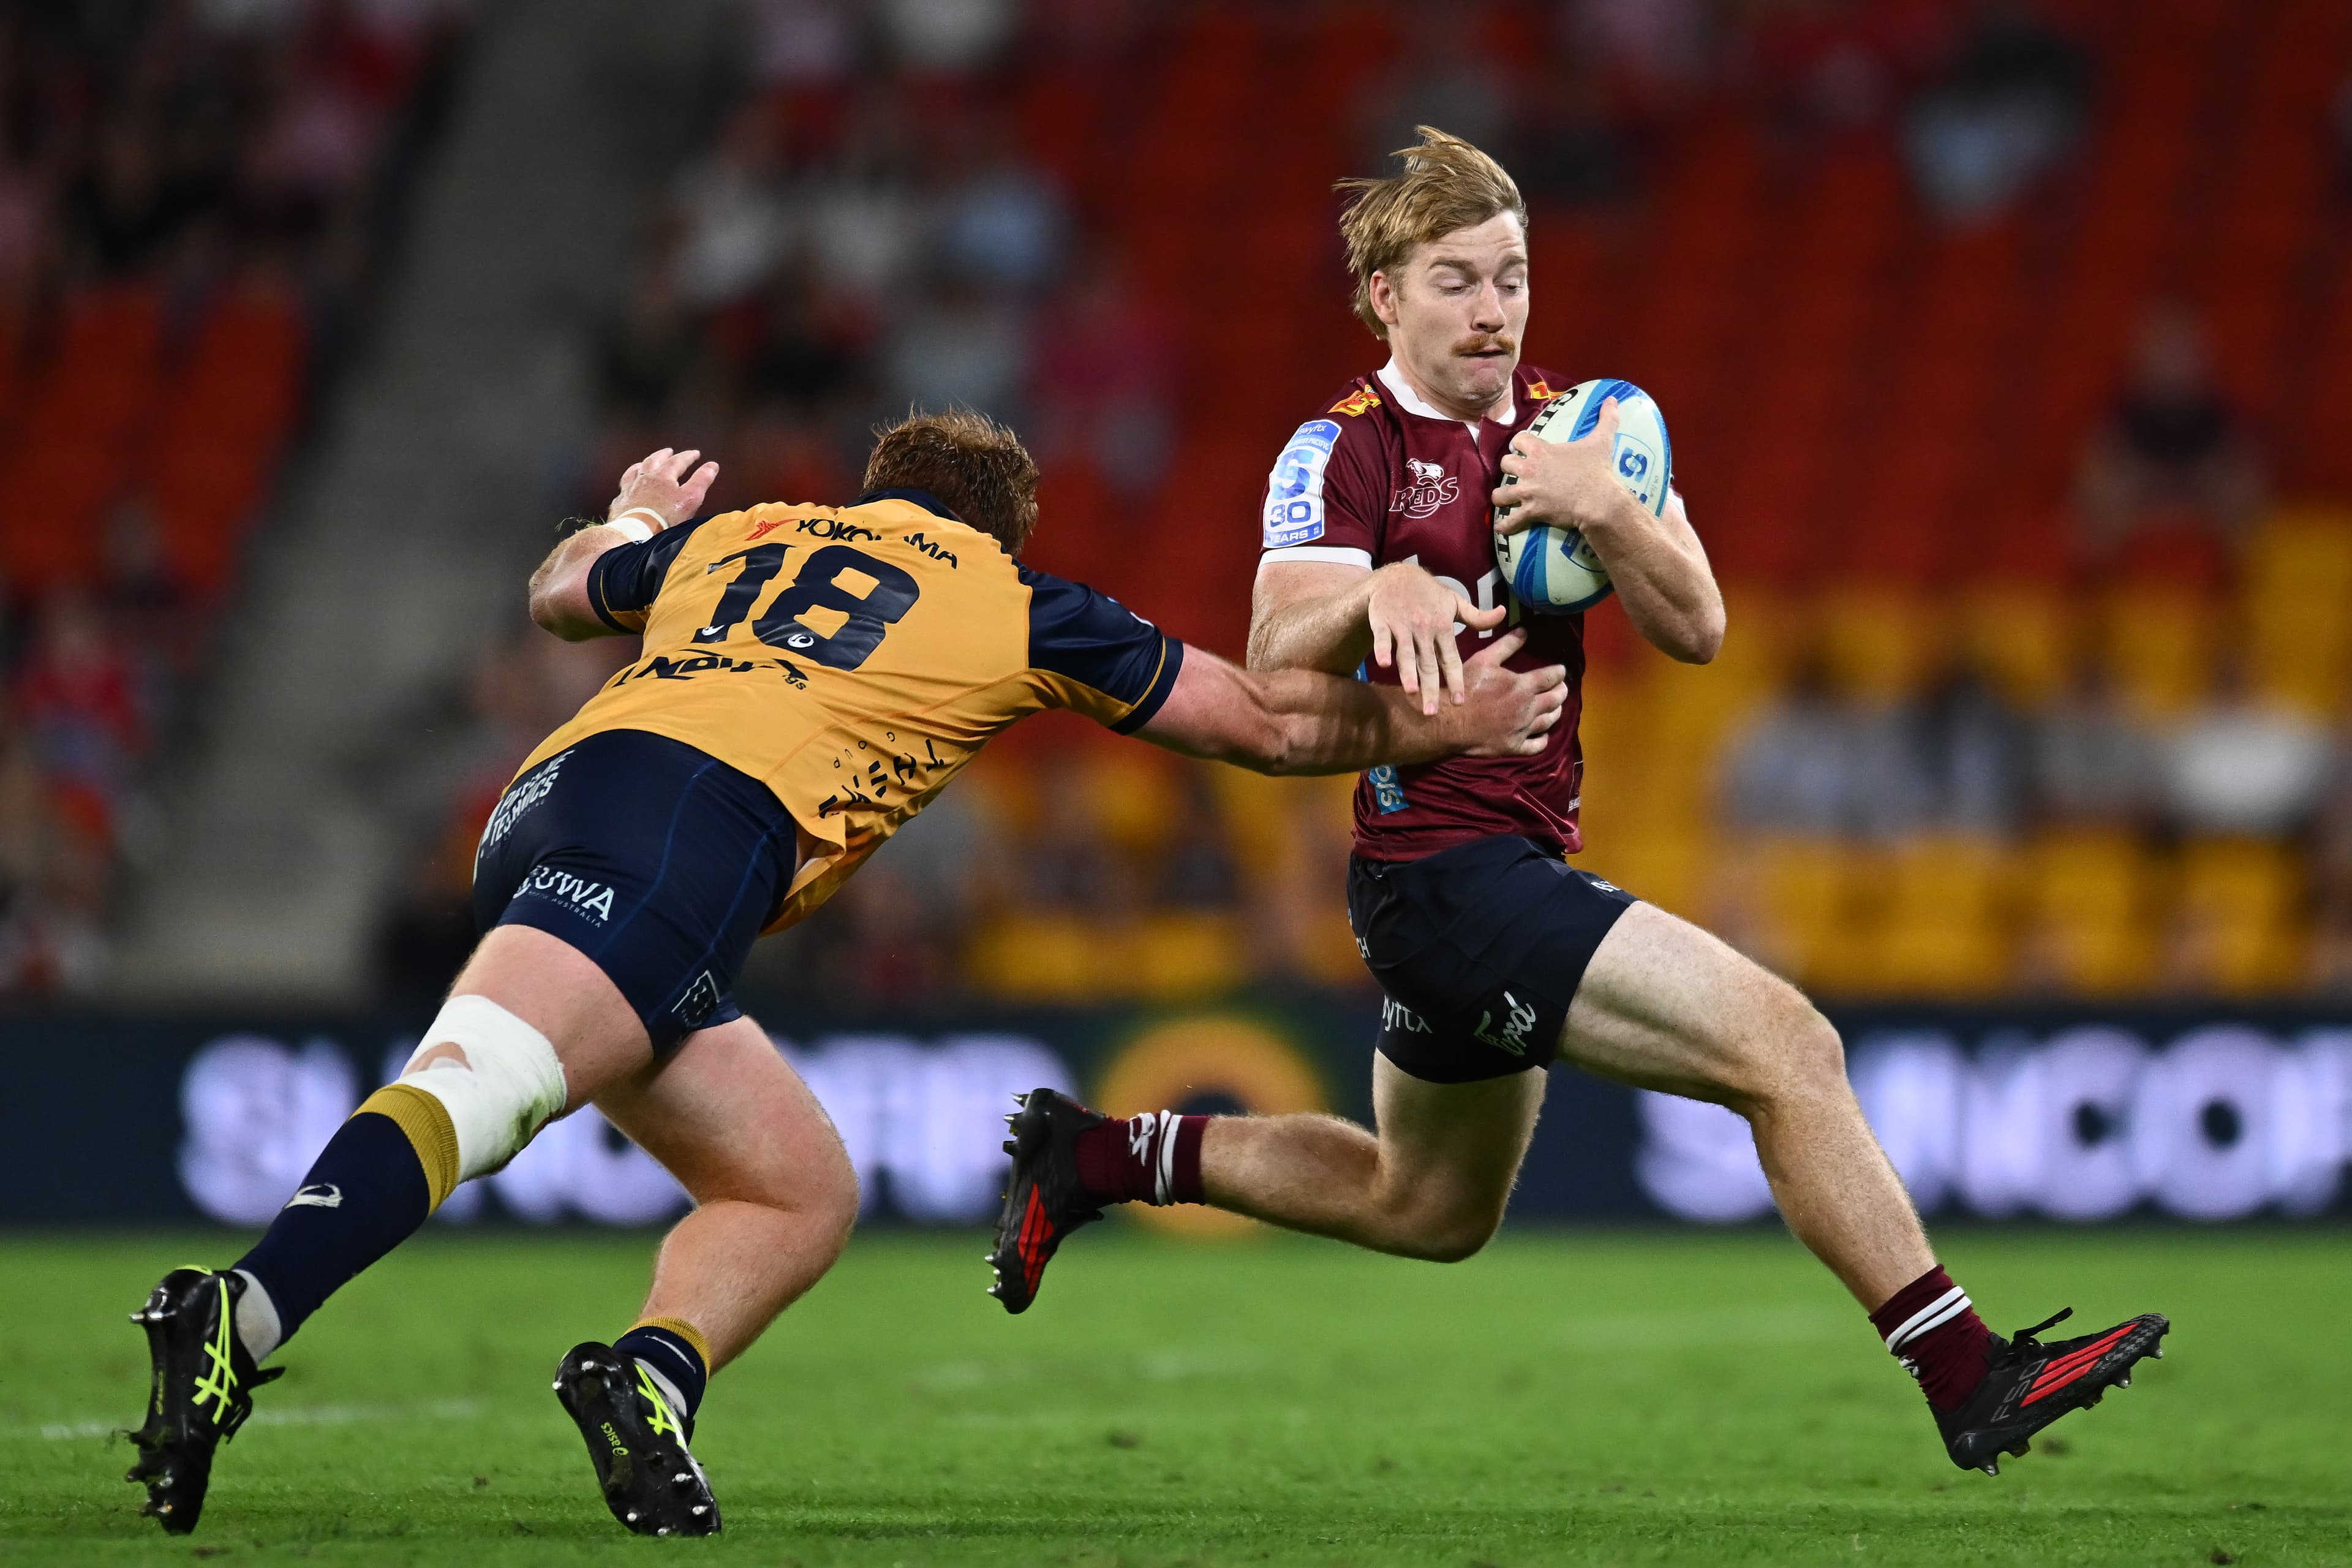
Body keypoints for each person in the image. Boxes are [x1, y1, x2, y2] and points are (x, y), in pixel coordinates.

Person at [123, 413, 1569, 1539]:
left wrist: (633, 514)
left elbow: (562, 591)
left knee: (794, 1184)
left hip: (557, 800)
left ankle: (651, 1377)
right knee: (486, 1082)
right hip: (698, 820)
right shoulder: (1010, 596)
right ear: (1002, 525)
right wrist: (1451, 723)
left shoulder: (741, 534)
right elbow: (1259, 719)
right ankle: (235, 1315)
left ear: (877, 489)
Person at [990, 127, 2167, 1477]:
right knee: (1789, 1048)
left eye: (1513, 275)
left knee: (1425, 1203)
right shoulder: (1347, 450)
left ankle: (1098, 1156)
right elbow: (1272, 640)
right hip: (1448, 873)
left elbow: (1702, 626)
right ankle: (1968, 1372)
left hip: (1499, 866)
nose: (1493, 309)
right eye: (1457, 280)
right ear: (1385, 294)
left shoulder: (1584, 429)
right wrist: (1379, 589)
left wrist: (1609, 510)